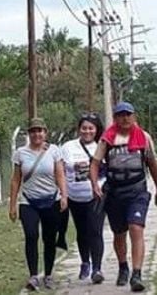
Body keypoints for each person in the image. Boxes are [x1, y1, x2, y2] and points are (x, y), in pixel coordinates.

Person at [89, 102, 157, 292]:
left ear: (134, 116)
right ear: (115, 118)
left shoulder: (144, 137)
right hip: (115, 192)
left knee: (136, 228)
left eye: (128, 114)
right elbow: (95, 163)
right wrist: (94, 185)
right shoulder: (107, 138)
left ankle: (136, 274)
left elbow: (153, 164)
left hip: (137, 191)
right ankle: (123, 267)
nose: (125, 118)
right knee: (119, 233)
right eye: (121, 115)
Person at [9, 118, 68, 291]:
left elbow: (60, 174)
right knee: (31, 235)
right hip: (28, 201)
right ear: (29, 134)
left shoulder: (54, 151)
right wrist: (12, 204)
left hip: (51, 200)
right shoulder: (20, 153)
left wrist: (64, 196)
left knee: (49, 238)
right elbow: (15, 179)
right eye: (33, 131)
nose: (37, 134)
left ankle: (48, 274)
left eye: (40, 131)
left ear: (45, 133)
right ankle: (33, 275)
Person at [60, 113, 106, 284]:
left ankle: (97, 268)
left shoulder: (102, 145)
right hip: (75, 196)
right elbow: (61, 171)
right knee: (82, 231)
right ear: (79, 129)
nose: (87, 131)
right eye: (84, 128)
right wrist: (63, 194)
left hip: (96, 196)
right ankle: (85, 262)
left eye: (91, 128)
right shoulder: (68, 147)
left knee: (95, 230)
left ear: (96, 129)